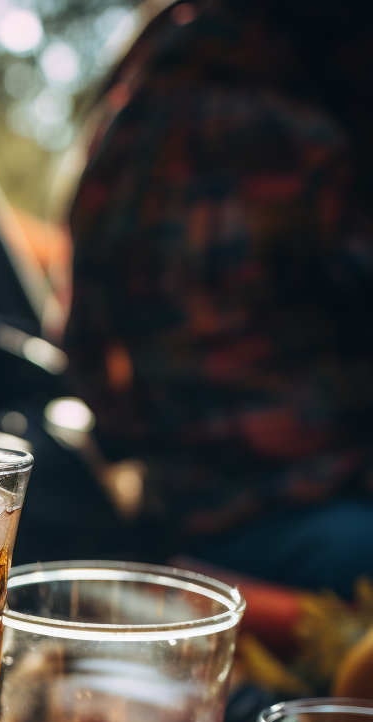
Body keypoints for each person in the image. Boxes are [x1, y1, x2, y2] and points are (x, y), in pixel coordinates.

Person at [64, 0, 373, 598]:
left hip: (172, 513)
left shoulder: (121, 135)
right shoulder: (312, 149)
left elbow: (82, 348)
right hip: (320, 521)